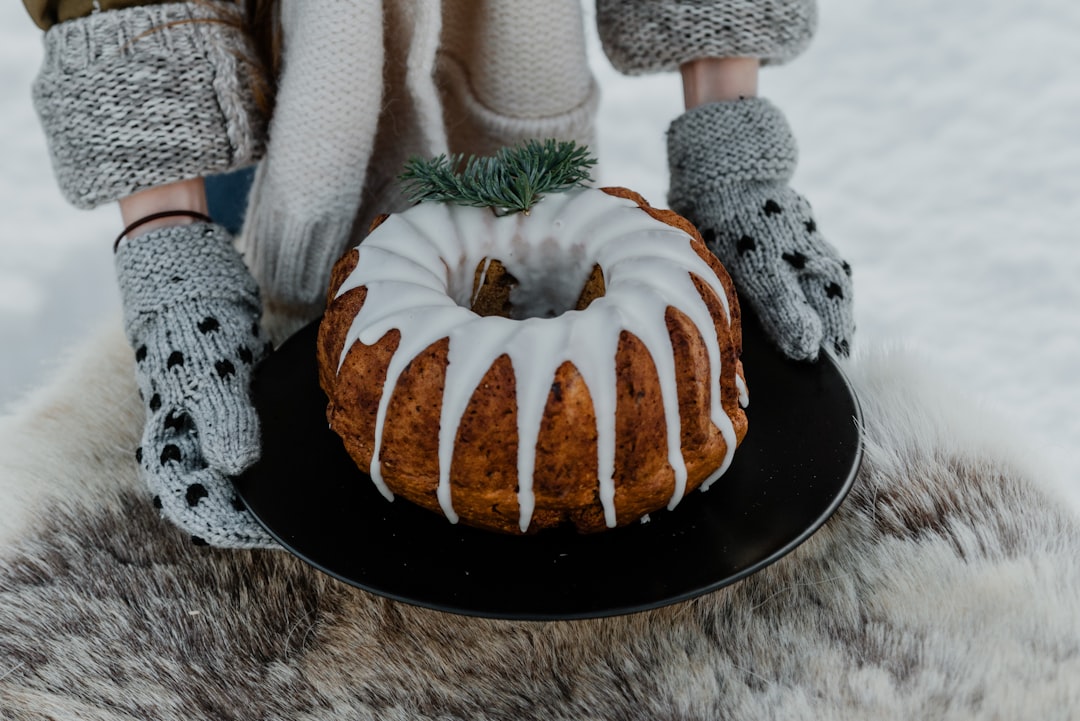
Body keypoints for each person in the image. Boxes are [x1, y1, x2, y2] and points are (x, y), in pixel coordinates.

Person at [23, 0, 854, 548]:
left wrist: (726, 127)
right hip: (279, 82)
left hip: (521, 79)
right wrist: (173, 239)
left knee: (576, 358)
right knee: (297, 279)